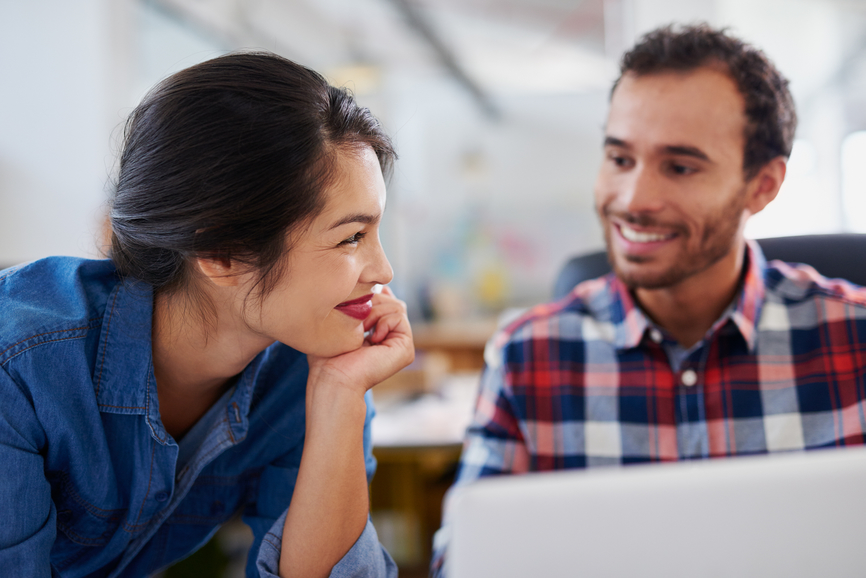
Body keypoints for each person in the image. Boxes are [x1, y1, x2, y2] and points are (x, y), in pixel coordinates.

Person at [431, 23, 866, 575]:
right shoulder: (528, 356)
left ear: (762, 186)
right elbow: (467, 561)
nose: (634, 200)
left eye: (680, 167)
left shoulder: (856, 339)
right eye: (619, 159)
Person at [0, 51, 413, 577]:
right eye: (352, 237)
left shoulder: (309, 363)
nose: (384, 269)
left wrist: (338, 395)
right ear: (222, 253)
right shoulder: (18, 365)